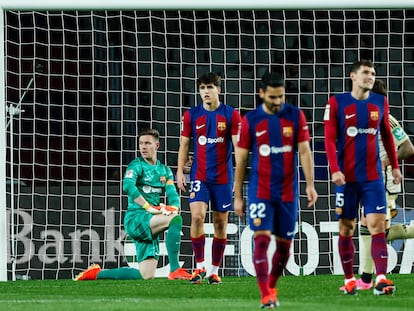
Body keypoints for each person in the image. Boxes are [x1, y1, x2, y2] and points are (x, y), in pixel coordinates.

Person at [233, 72, 318, 309]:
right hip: (260, 191)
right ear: (261, 94)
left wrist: (310, 184)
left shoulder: (295, 115)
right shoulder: (250, 120)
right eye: (273, 97)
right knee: (261, 242)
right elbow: (241, 161)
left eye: (281, 96)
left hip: (288, 193)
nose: (278, 101)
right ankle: (266, 295)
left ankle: (271, 286)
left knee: (284, 251)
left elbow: (304, 151)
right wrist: (238, 196)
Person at [324, 60, 403, 296]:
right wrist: (335, 169)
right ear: (353, 76)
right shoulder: (337, 102)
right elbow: (328, 139)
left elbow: (388, 136)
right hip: (347, 179)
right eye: (366, 73)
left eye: (373, 73)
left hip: (373, 178)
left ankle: (381, 279)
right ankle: (349, 279)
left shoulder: (380, 102)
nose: (370, 76)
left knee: (377, 225)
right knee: (347, 228)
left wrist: (395, 167)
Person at [75, 128, 192, 281]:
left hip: (150, 220)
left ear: (156, 145)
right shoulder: (136, 166)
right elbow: (128, 186)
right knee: (175, 219)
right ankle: (175, 269)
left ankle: (97, 274)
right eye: (141, 143)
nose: (143, 147)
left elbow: (172, 193)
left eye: (147, 143)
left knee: (145, 276)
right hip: (137, 218)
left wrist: (174, 206)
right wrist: (149, 207)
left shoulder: (165, 171)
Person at [176, 72, 241, 285]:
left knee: (220, 224)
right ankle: (200, 266)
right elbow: (184, 144)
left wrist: (240, 172)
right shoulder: (191, 115)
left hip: (223, 177)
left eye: (210, 87)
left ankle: (214, 271)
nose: (206, 91)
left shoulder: (231, 115)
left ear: (218, 90)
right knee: (196, 216)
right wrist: (179, 171)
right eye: (202, 88)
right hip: (199, 175)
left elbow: (239, 146)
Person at [353, 79, 414, 290]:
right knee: (373, 228)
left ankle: (371, 278)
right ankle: (368, 277)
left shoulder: (387, 119)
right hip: (371, 181)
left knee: (372, 226)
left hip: (385, 182)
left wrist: (385, 163)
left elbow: (408, 148)